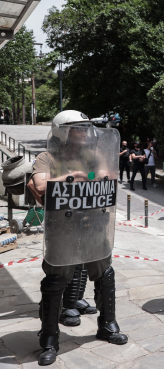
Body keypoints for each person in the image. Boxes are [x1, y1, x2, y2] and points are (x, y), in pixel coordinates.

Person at [27, 110, 128, 366]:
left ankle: (107, 325)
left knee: (105, 275)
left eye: (85, 128)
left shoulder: (91, 155)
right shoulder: (47, 157)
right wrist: (75, 177)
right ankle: (49, 337)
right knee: (55, 281)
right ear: (63, 131)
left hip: (93, 225)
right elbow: (40, 185)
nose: (84, 133)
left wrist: (88, 176)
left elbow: (109, 176)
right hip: (63, 230)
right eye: (78, 128)